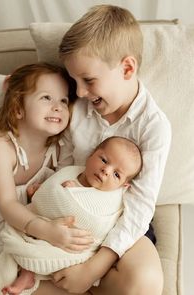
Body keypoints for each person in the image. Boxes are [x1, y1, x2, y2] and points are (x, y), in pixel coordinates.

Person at [31, 4, 172, 295]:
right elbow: (64, 166)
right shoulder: (79, 108)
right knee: (29, 274)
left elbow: (140, 206)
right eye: (75, 82)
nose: (80, 92)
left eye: (89, 81)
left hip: (122, 219)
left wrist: (92, 268)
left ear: (127, 68)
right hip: (71, 210)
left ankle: (90, 281)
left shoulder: (154, 127)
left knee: (144, 282)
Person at [0, 63, 93, 294]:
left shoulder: (57, 153)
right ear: (18, 107)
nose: (58, 107)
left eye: (63, 100)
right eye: (46, 98)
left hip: (13, 229)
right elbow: (8, 204)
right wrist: (47, 231)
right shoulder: (1, 146)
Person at [0, 136, 142, 295]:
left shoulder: (111, 200)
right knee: (31, 238)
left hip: (77, 245)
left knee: (45, 248)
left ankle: (29, 273)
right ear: (92, 154)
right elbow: (47, 197)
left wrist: (69, 193)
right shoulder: (70, 172)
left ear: (124, 186)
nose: (106, 171)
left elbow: (98, 225)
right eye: (104, 160)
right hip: (47, 228)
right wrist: (39, 192)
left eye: (116, 175)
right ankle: (27, 273)